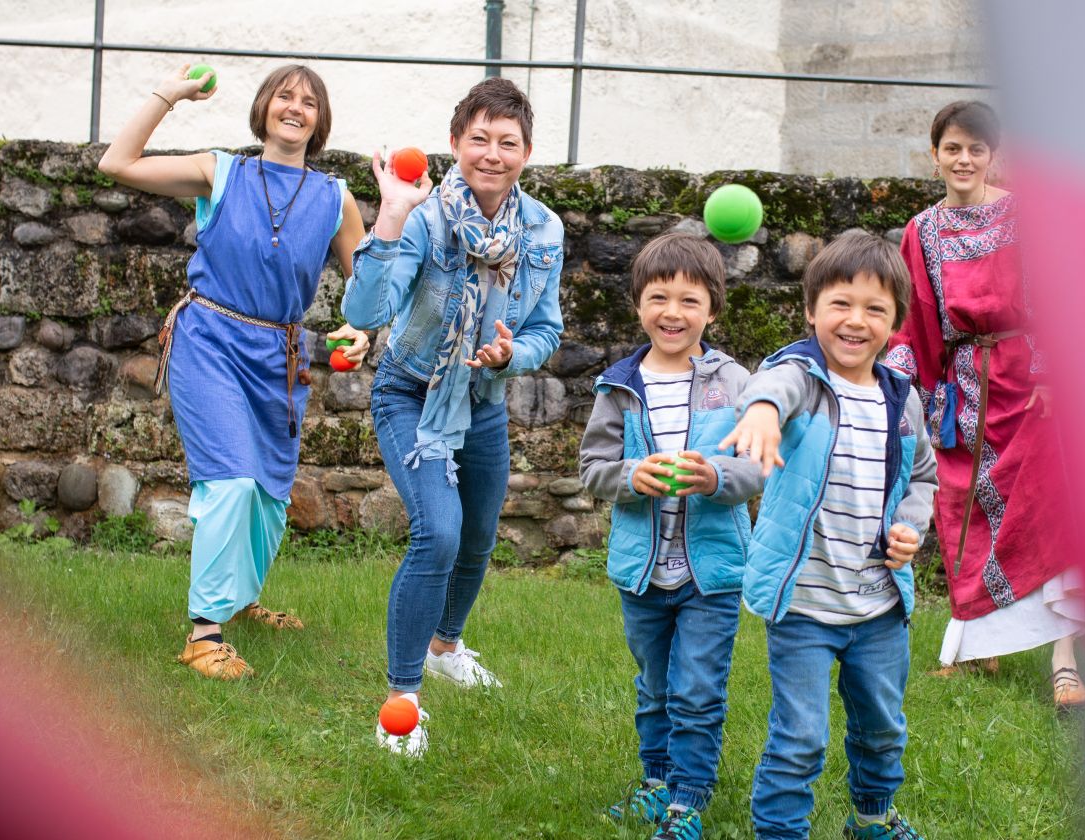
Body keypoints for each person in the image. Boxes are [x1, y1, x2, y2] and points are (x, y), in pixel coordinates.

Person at [98, 64, 371, 679]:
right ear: (264, 108)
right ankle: (204, 634)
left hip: (281, 356)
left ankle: (241, 601)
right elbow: (116, 163)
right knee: (230, 482)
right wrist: (170, 93)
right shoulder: (220, 171)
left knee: (271, 492)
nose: (295, 107)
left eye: (309, 101)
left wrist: (360, 332)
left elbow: (366, 289)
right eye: (284, 96)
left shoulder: (336, 198)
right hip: (210, 339)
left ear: (320, 120)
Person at [342, 77, 564, 757]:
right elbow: (364, 314)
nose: (492, 154)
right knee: (437, 533)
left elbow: (547, 330)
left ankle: (445, 646)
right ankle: (403, 696)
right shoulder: (425, 219)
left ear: (527, 151)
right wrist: (389, 215)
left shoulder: (542, 230)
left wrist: (510, 353)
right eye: (479, 140)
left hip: (484, 400)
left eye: (508, 142)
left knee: (475, 538)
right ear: (454, 143)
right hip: (411, 393)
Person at [722, 231, 937, 840]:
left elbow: (922, 474)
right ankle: (781, 832)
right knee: (801, 736)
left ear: (895, 323)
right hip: (805, 606)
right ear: (811, 309)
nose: (855, 321)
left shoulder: (900, 399)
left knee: (882, 726)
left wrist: (910, 526)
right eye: (840, 304)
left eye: (875, 309)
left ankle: (872, 817)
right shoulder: (801, 377)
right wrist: (762, 412)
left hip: (877, 606)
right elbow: (773, 388)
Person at [884, 100, 1085, 709]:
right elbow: (914, 317)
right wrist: (898, 391)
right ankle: (977, 646)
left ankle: (1065, 662)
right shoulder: (922, 230)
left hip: (1031, 387)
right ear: (936, 155)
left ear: (992, 155)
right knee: (963, 514)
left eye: (976, 148)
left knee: (1047, 514)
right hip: (963, 389)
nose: (964, 158)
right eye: (953, 148)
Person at [578, 232, 764, 840]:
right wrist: (633, 474)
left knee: (697, 689)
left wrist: (716, 476)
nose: (673, 313)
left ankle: (689, 798)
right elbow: (593, 469)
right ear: (638, 305)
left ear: (712, 309)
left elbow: (758, 465)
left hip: (710, 572)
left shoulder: (734, 382)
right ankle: (656, 783)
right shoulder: (618, 386)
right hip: (642, 570)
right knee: (654, 687)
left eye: (690, 300)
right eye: (660, 297)